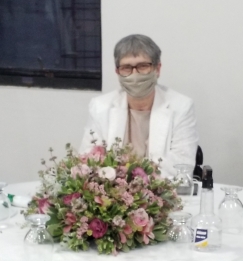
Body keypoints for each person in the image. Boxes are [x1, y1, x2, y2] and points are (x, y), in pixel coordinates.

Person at [79, 34, 198, 172]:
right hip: (114, 185)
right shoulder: (100, 106)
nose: (135, 74)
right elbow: (87, 161)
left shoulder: (181, 107)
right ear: (117, 72)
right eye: (126, 67)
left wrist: (137, 176)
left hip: (163, 185)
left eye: (143, 66)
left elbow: (182, 166)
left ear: (157, 69)